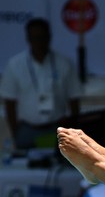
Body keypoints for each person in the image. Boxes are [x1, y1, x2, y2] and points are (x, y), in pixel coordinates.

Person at [0, 18, 82, 149]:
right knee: (25, 167)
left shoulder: (64, 64)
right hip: (27, 129)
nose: (38, 42)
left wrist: (74, 131)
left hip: (57, 128)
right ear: (28, 39)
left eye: (42, 37)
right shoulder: (15, 65)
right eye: (34, 38)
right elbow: (9, 103)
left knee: (60, 166)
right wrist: (15, 132)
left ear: (49, 38)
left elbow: (74, 100)